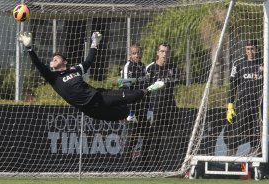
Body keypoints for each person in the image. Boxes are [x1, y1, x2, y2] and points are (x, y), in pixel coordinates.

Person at [17, 32, 165, 121]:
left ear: (65, 61)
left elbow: (88, 61)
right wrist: (29, 48)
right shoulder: (53, 78)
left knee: (133, 96)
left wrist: (95, 43)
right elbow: (38, 64)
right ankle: (128, 115)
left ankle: (149, 89)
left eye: (57, 57)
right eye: (52, 59)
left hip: (99, 96)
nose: (53, 59)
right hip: (90, 110)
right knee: (121, 115)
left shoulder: (74, 70)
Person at [225, 39, 269, 156]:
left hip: (259, 104)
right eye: (248, 49)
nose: (250, 51)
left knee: (257, 131)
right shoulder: (238, 64)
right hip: (243, 103)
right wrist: (230, 105)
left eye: (252, 49)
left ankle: (255, 155)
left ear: (256, 49)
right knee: (237, 130)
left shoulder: (265, 63)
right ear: (245, 50)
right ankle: (231, 154)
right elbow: (233, 86)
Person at [143, 42, 178, 170]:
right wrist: (148, 109)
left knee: (175, 136)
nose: (164, 54)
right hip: (154, 108)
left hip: (170, 108)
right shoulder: (150, 68)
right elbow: (144, 89)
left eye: (167, 51)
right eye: (162, 51)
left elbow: (172, 88)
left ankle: (175, 164)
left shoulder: (173, 68)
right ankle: (149, 164)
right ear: (157, 53)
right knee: (153, 137)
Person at [120, 43, 147, 123]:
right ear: (130, 55)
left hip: (142, 106)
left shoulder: (142, 66)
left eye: (138, 53)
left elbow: (145, 84)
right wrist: (130, 110)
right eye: (134, 53)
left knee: (143, 133)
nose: (137, 55)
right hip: (130, 109)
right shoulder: (128, 67)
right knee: (130, 133)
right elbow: (124, 88)